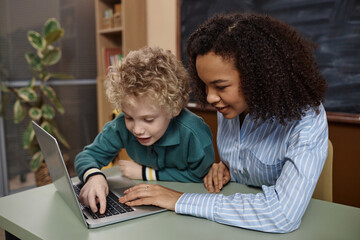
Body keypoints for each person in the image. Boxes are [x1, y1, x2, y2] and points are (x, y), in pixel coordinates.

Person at [118, 12, 329, 233]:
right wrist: (228, 169)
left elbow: (282, 215)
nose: (209, 98)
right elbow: (246, 168)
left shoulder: (307, 119)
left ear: (257, 77)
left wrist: (179, 200)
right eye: (205, 85)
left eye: (220, 86)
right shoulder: (230, 107)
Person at [75, 46, 215, 215]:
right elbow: (87, 156)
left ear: (174, 108)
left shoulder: (194, 133)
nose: (137, 129)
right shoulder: (121, 126)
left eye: (148, 120)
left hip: (185, 203)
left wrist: (146, 173)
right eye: (128, 117)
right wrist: (93, 176)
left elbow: (200, 175)